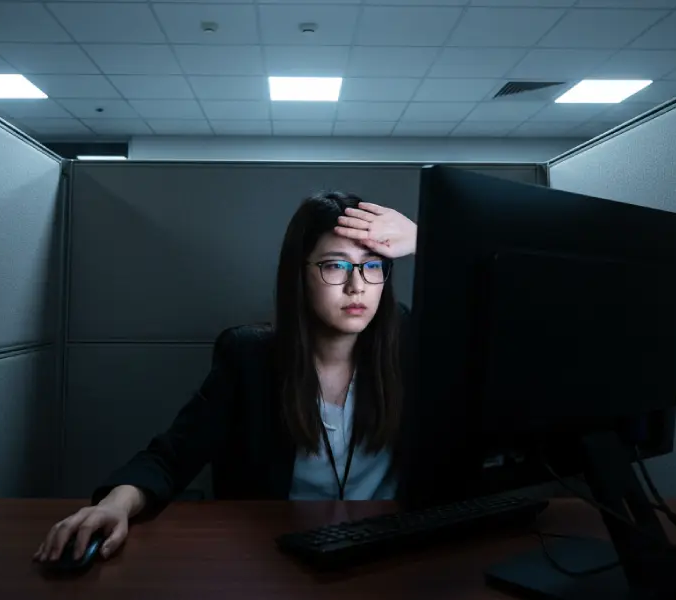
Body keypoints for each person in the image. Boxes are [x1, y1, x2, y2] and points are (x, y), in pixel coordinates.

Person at [33, 191, 418, 564]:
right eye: (335, 265)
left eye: (371, 265)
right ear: (298, 275)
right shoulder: (250, 358)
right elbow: (170, 458)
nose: (357, 286)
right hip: (279, 559)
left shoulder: (412, 345)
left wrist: (422, 239)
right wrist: (114, 504)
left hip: (387, 554)